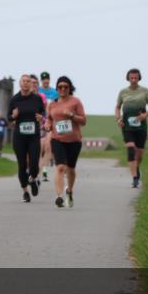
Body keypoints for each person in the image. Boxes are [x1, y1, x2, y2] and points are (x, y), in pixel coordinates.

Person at [44, 76, 86, 209]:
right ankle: (59, 196)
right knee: (60, 167)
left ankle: (70, 190)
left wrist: (72, 116)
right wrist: (47, 125)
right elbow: (49, 119)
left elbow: (84, 121)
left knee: (71, 169)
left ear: (70, 88)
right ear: (56, 89)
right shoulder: (52, 104)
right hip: (58, 139)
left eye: (65, 87)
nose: (62, 89)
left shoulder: (76, 102)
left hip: (74, 140)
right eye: (60, 87)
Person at [115, 68, 148, 188]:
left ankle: (136, 168)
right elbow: (117, 107)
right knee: (130, 149)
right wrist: (118, 119)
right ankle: (134, 178)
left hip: (141, 126)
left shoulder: (145, 91)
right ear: (128, 78)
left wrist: (145, 115)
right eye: (131, 78)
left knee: (139, 154)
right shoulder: (123, 92)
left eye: (136, 78)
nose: (133, 80)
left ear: (139, 78)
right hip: (127, 125)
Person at [8, 74, 45, 203]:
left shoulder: (37, 99)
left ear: (31, 84)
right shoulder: (14, 100)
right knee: (22, 165)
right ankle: (25, 192)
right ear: (20, 83)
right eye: (23, 81)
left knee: (34, 165)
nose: (25, 83)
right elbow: (9, 118)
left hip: (33, 137)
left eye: (28, 81)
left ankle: (33, 179)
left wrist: (42, 118)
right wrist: (13, 116)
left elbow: (43, 114)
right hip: (19, 138)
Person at [37, 71, 58, 181]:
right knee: (40, 146)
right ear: (41, 80)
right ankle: (41, 169)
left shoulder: (54, 92)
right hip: (40, 121)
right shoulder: (38, 91)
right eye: (44, 79)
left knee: (48, 145)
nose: (46, 81)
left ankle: (44, 169)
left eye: (47, 79)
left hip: (51, 121)